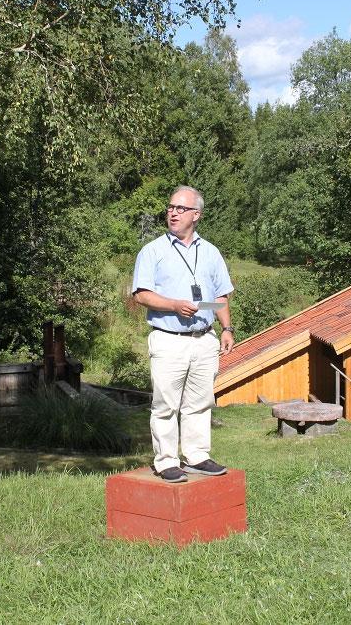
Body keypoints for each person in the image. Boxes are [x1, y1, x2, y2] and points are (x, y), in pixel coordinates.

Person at [131, 185, 236, 483]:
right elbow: (141, 295)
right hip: (168, 339)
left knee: (200, 402)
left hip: (205, 339)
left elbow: (218, 297)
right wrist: (174, 305)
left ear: (196, 215)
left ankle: (197, 456)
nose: (173, 213)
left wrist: (226, 327)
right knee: (165, 404)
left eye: (180, 208)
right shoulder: (153, 251)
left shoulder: (211, 252)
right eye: (170, 207)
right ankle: (166, 461)